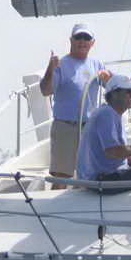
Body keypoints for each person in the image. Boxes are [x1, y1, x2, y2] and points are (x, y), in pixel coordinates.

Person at [40, 23, 112, 189]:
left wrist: (109, 77)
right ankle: (55, 205)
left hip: (89, 128)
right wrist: (50, 69)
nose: (82, 41)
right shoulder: (61, 64)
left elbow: (112, 86)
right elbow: (45, 90)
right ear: (71, 40)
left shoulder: (97, 64)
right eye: (78, 37)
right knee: (61, 178)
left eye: (86, 38)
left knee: (87, 176)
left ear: (92, 43)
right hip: (65, 127)